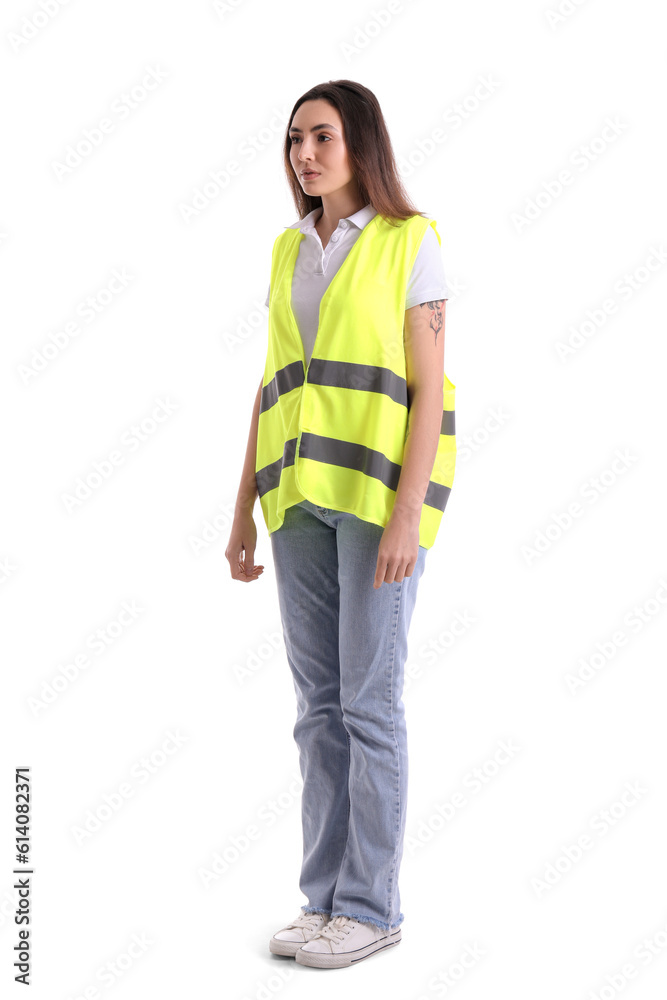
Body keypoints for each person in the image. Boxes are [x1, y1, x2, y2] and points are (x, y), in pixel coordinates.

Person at [225, 79, 456, 970]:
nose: (304, 154)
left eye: (321, 136)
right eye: (293, 140)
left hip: (374, 502)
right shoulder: (290, 250)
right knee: (317, 710)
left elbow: (429, 388)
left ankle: (371, 907)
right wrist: (241, 504)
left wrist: (409, 514)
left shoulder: (410, 241)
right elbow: (272, 381)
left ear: (360, 143)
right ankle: (322, 900)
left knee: (368, 703)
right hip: (294, 501)